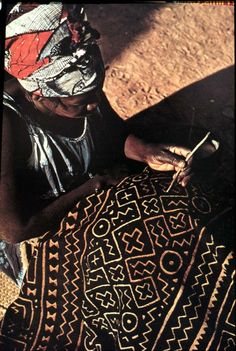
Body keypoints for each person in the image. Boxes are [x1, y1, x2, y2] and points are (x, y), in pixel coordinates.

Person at [1, 4, 233, 351]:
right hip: (42, 230)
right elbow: (14, 228)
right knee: (131, 283)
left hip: (95, 187)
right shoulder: (8, 123)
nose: (94, 106)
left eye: (96, 94)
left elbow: (111, 132)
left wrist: (146, 151)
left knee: (183, 210)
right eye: (80, 104)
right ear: (40, 97)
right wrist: (93, 186)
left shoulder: (77, 84)